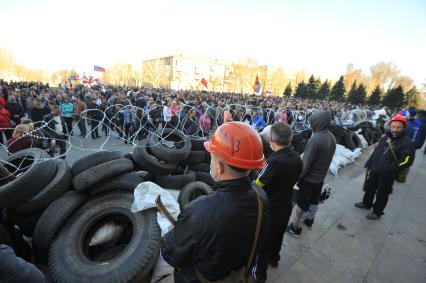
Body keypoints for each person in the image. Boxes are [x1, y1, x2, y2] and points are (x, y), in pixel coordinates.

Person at [161, 121, 270, 283]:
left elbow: (170, 256)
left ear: (219, 167)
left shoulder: (198, 211)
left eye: (211, 158)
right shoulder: (261, 197)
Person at [254, 122, 303, 282]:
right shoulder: (296, 157)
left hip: (270, 207)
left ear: (272, 140)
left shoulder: (273, 161)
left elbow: (259, 183)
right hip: (286, 203)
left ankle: (259, 274)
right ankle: (274, 258)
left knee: (263, 241)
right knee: (278, 235)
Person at [355, 114, 415, 219]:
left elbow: (407, 160)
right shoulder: (386, 137)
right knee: (370, 188)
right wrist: (369, 163)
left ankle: (377, 212)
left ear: (403, 128)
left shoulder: (407, 143)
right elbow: (376, 151)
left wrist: (391, 168)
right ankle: (366, 203)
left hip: (387, 174)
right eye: (393, 126)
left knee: (382, 194)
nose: (395, 129)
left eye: (398, 127)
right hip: (375, 169)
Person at [288, 110, 336, 237]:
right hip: (320, 178)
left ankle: (295, 228)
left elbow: (305, 165)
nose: (311, 125)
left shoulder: (315, 140)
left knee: (301, 205)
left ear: (318, 123)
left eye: (312, 123)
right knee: (314, 201)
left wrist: (297, 178)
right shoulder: (331, 137)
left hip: (309, 180)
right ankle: (309, 222)